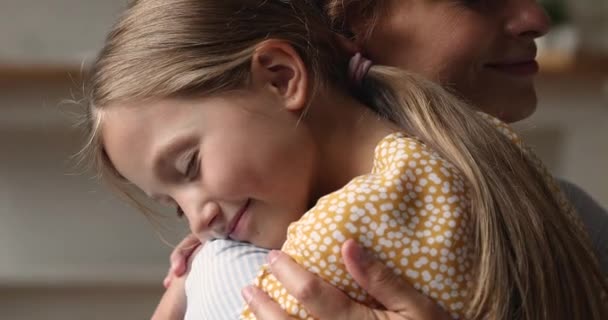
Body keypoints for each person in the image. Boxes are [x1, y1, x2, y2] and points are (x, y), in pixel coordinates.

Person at [80, 0, 608, 319]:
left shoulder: (250, 273)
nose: (536, 16)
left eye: (192, 167)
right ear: (351, 20)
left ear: (283, 77)